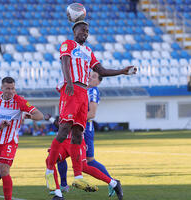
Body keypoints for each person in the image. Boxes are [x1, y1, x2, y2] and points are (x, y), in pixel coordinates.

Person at [45, 20, 136, 192]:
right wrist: (69, 82)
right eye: (82, 30)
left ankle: (78, 176)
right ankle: (50, 169)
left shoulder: (88, 51)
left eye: (87, 31)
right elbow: (64, 61)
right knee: (64, 129)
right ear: (74, 31)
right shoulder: (68, 44)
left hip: (83, 93)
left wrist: (122, 71)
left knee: (78, 133)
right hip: (71, 89)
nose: (85, 33)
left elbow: (101, 70)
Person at [51, 72, 123, 200]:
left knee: (88, 162)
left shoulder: (92, 91)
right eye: (90, 75)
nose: (90, 77)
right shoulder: (78, 89)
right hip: (70, 131)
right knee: (56, 158)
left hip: (83, 130)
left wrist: (71, 119)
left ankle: (112, 181)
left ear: (99, 81)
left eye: (94, 76)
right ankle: (61, 187)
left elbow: (92, 114)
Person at [0, 77, 44, 200]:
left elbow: (39, 115)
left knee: (4, 171)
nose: (10, 91)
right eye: (7, 88)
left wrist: (27, 115)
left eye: (13, 88)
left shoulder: (20, 101)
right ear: (2, 88)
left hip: (9, 141)